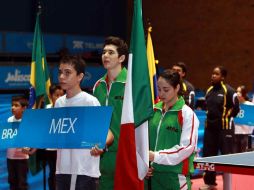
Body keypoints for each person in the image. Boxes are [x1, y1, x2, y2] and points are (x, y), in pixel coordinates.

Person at [147, 69, 199, 190]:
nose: (161, 94)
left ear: (177, 88)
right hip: (153, 176)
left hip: (175, 178)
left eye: (166, 90)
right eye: (159, 89)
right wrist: (145, 165)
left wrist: (155, 156)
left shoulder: (187, 114)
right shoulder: (153, 110)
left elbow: (187, 147)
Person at [54, 55, 101, 190]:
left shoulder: (90, 102)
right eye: (60, 72)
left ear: (80, 77)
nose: (62, 76)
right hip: (62, 170)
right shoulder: (58, 103)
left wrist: (99, 145)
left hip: (84, 171)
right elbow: (55, 134)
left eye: (67, 73)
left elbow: (101, 134)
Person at [92, 36, 128, 190]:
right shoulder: (98, 85)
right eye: (104, 52)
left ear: (121, 58)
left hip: (126, 154)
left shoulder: (131, 84)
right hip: (101, 154)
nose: (105, 55)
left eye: (111, 52)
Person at [200, 66, 240, 190]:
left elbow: (236, 108)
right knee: (209, 157)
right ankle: (210, 184)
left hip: (224, 130)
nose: (213, 76)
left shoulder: (229, 91)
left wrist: (225, 119)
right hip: (210, 130)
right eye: (212, 73)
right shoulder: (209, 91)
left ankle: (227, 186)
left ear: (222, 77)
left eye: (216, 74)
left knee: (226, 158)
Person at [6, 95, 35, 190]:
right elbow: (6, 136)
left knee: (22, 183)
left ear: (24, 108)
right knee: (12, 182)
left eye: (16, 105)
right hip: (10, 157)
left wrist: (27, 148)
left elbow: (31, 138)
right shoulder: (9, 120)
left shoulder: (28, 121)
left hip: (22, 158)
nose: (12, 107)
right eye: (12, 105)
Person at [45, 84, 64, 190]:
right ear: (51, 96)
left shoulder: (67, 109)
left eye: (62, 95)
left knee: (62, 174)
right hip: (50, 148)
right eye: (57, 95)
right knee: (52, 172)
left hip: (63, 148)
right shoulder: (47, 109)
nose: (59, 98)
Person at [234, 85, 254, 153]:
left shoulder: (250, 106)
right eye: (236, 91)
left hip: (245, 135)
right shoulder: (234, 105)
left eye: (239, 92)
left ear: (244, 94)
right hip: (234, 134)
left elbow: (251, 122)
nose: (237, 93)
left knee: (242, 155)